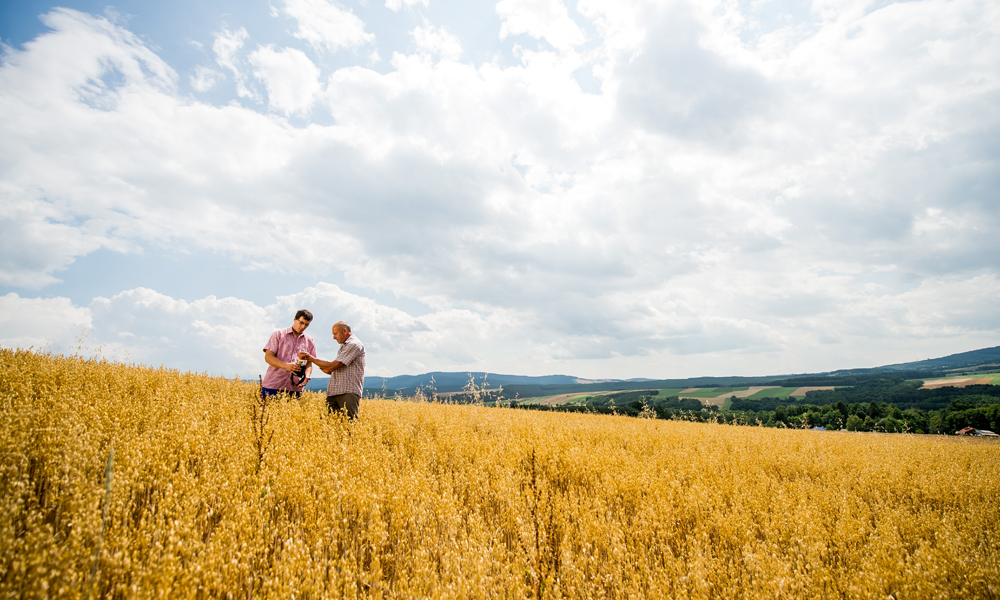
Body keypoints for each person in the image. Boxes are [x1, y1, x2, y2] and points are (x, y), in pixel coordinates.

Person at [299, 321, 365, 419]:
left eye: (335, 334)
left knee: (348, 426)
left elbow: (333, 366)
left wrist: (310, 358)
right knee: (331, 425)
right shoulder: (345, 345)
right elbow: (337, 368)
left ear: (344, 331)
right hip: (335, 392)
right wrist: (330, 370)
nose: (334, 337)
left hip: (347, 392)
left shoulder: (354, 344)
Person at [261, 309, 316, 399]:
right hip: (274, 384)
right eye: (301, 322)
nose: (303, 326)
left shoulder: (310, 340)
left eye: (306, 324)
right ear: (295, 319)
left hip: (295, 387)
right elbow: (268, 357)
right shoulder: (278, 334)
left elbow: (309, 363)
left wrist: (307, 376)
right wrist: (285, 366)